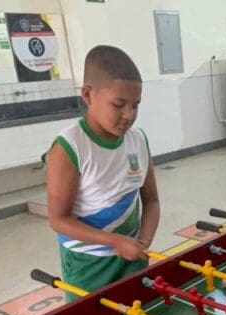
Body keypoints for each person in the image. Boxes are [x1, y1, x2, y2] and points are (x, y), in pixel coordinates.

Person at [45, 45, 160, 301]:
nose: (129, 115)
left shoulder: (138, 140)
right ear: (88, 94)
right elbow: (58, 220)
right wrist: (115, 242)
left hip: (131, 260)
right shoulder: (70, 147)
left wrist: (143, 241)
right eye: (118, 104)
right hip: (88, 267)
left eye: (136, 105)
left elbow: (151, 200)